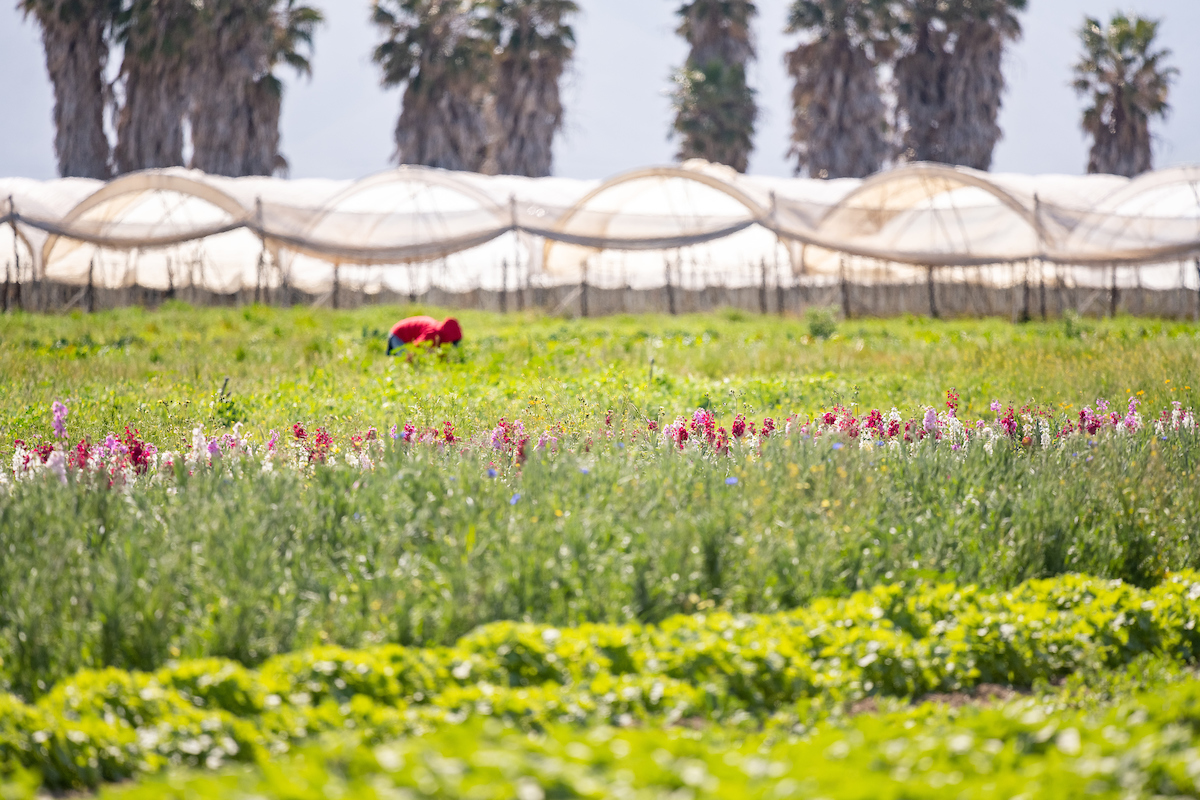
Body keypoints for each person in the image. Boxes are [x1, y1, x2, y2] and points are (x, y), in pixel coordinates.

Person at [387, 315, 463, 355]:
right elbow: (415, 348)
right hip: (398, 335)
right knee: (406, 361)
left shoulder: (440, 331)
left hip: (401, 334)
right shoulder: (432, 333)